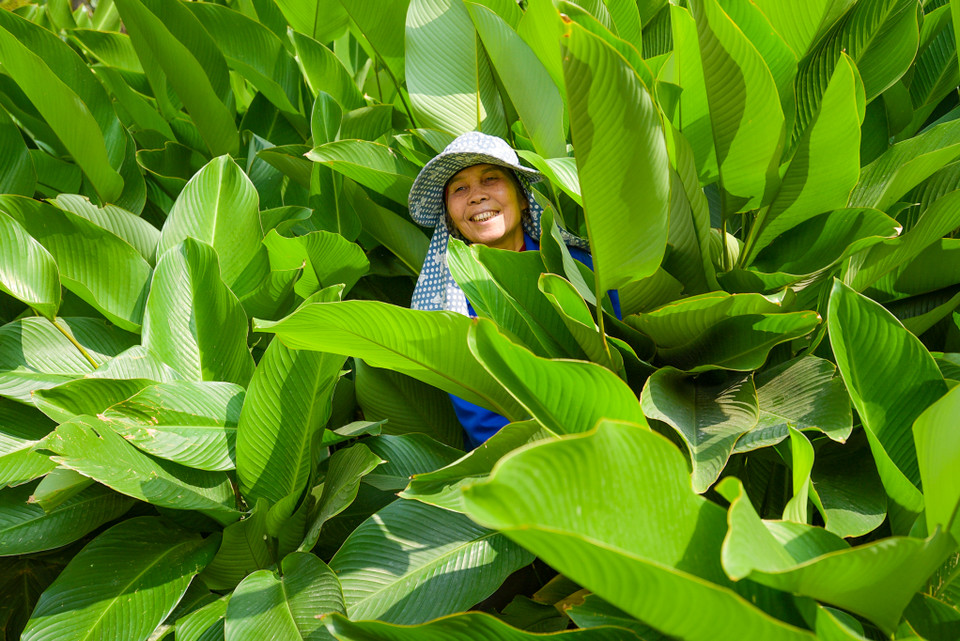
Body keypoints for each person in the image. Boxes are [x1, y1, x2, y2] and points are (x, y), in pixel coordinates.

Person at [408, 131, 616, 448]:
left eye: (490, 179)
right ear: (450, 216)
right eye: (460, 189)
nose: (476, 196)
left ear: (522, 198)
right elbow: (483, 418)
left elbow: (616, 357)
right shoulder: (452, 304)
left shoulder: (576, 268)